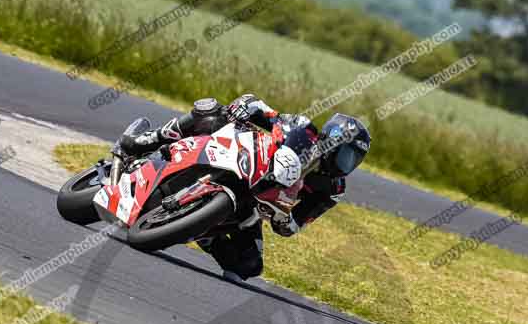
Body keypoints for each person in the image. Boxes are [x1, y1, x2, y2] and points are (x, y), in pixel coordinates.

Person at [118, 94, 371, 281]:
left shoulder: (333, 189)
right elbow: (260, 107)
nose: (345, 163)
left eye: (353, 159)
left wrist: (283, 220)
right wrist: (242, 108)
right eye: (344, 154)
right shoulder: (303, 129)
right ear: (331, 139)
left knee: (248, 266)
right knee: (211, 113)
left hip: (255, 204)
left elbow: (295, 225)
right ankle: (144, 141)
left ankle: (202, 230)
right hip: (239, 156)